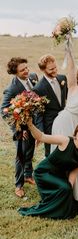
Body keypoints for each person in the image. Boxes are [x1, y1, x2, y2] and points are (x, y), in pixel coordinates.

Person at [18, 121, 78, 219]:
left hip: (59, 175)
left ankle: (60, 204)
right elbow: (41, 137)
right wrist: (30, 125)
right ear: (75, 136)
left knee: (67, 189)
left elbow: (75, 170)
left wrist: (69, 187)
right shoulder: (65, 141)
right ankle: (51, 211)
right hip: (44, 172)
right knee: (64, 188)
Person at [51, 46, 78, 201]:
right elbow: (71, 68)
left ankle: (76, 188)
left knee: (77, 154)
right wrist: (69, 51)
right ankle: (59, 186)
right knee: (63, 153)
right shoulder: (73, 87)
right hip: (64, 121)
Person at [1, 57, 38, 198]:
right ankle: (18, 185)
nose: (26, 71)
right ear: (15, 72)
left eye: (27, 68)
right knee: (21, 154)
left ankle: (28, 175)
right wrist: (17, 128)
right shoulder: (12, 89)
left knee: (31, 149)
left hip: (32, 124)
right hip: (20, 128)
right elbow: (3, 110)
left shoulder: (33, 77)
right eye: (22, 70)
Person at [33, 54, 68, 157]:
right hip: (50, 125)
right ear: (43, 70)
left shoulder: (63, 78)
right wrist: (40, 134)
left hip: (64, 121)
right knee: (51, 154)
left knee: (66, 148)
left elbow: (67, 97)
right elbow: (38, 113)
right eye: (51, 69)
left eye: (55, 67)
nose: (55, 71)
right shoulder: (38, 88)